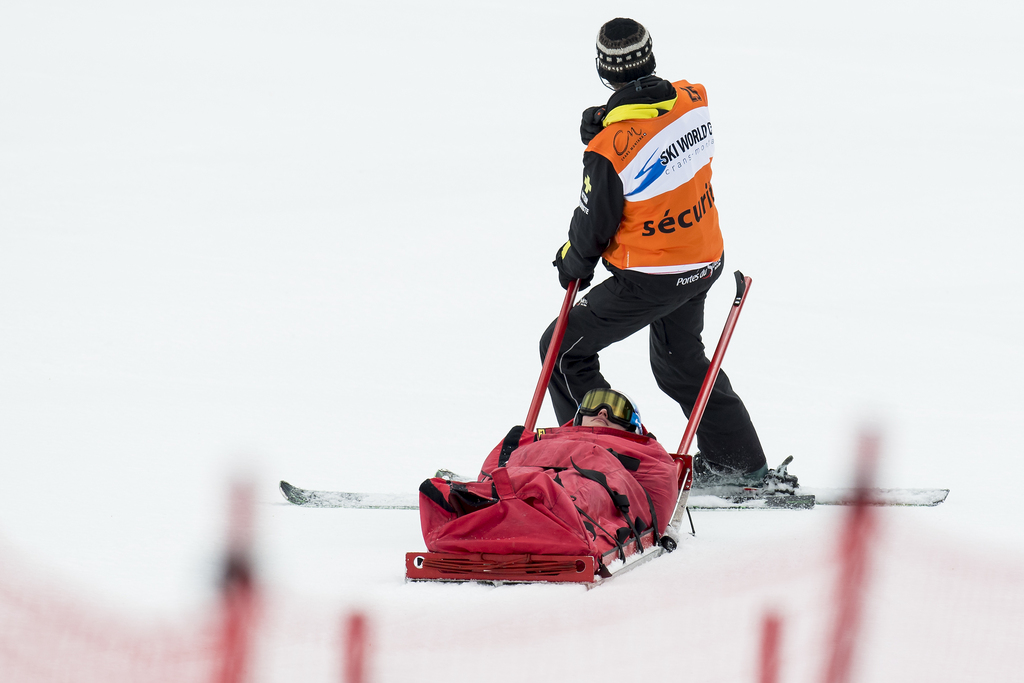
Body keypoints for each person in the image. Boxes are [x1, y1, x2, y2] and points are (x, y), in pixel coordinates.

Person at [540, 17, 778, 487]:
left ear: (604, 72)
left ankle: (603, 463)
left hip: (650, 275)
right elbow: (655, 123)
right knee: (679, 363)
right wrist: (608, 119)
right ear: (650, 58)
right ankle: (739, 465)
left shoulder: (609, 151)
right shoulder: (695, 100)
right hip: (704, 259)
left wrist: (573, 260)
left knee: (561, 350)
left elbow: (593, 227)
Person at [418, 388, 681, 565]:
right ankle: (494, 503)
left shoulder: (644, 452)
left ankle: (526, 508)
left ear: (631, 426)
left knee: (579, 489)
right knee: (512, 478)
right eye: (593, 405)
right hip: (530, 470)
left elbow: (656, 503)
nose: (603, 412)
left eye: (617, 410)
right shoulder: (541, 437)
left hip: (594, 479)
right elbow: (494, 468)